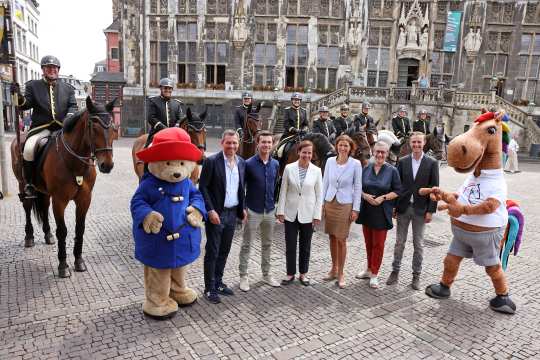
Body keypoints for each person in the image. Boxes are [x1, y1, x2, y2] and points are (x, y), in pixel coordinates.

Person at [13, 55, 78, 199]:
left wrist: (68, 118)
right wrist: (17, 95)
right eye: (49, 67)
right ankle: (30, 184)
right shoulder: (33, 86)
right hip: (41, 128)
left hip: (62, 128)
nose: (52, 70)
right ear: (43, 69)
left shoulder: (68, 88)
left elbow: (73, 106)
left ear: (58, 70)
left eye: (54, 68)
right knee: (29, 149)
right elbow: (24, 105)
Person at [199, 130, 247, 304]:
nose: (232, 146)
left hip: (232, 213)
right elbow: (202, 188)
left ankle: (218, 282)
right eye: (228, 143)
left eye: (234, 143)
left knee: (224, 250)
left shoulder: (241, 163)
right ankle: (209, 288)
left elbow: (241, 188)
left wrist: (243, 208)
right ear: (222, 143)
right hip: (216, 214)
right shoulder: (211, 162)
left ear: (238, 144)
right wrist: (210, 210)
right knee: (212, 251)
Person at [386, 132, 439, 290]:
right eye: (414, 142)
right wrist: (394, 206)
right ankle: (395, 271)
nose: (416, 145)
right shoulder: (402, 162)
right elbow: (396, 185)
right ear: (410, 143)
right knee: (399, 243)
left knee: (419, 244)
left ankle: (416, 275)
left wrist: (431, 210)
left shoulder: (432, 163)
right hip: (403, 207)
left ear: (424, 143)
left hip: (420, 209)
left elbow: (434, 189)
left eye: (419, 142)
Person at [238, 131, 281, 291]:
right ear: (258, 143)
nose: (267, 145)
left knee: (267, 244)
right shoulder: (248, 164)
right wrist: (243, 208)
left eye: (269, 142)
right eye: (264, 142)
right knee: (247, 245)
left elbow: (275, 186)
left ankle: (266, 274)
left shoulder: (275, 164)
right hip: (253, 210)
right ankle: (243, 275)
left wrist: (276, 207)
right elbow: (241, 188)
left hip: (269, 210)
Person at [276, 140, 323, 286]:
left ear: (312, 154)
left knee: (305, 245)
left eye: (309, 153)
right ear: (298, 152)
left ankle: (303, 274)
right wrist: (280, 211)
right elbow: (283, 191)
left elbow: (319, 195)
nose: (306, 155)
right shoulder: (289, 168)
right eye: (304, 152)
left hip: (308, 214)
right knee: (290, 244)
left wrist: (317, 215)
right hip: (290, 212)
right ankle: (290, 273)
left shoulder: (317, 170)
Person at [355, 141, 401, 288]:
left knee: (378, 244)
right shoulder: (366, 168)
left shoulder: (392, 170)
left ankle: (375, 274)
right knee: (368, 243)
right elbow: (358, 187)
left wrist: (383, 198)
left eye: (383, 152)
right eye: (378, 152)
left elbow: (398, 191)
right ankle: (368, 269)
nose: (380, 154)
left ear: (387, 154)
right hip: (367, 211)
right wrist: (364, 196)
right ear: (373, 152)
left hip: (382, 212)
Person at [322, 135, 362, 288]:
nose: (343, 148)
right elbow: (325, 182)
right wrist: (322, 204)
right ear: (336, 146)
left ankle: (341, 273)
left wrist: (356, 209)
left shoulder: (356, 164)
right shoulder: (330, 161)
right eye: (340, 145)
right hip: (330, 202)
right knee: (332, 237)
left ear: (350, 148)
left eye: (346, 146)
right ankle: (333, 268)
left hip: (345, 204)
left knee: (341, 239)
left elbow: (358, 187)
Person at [145, 78, 184, 147]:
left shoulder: (177, 103)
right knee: (148, 148)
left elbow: (180, 118)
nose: (168, 90)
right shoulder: (154, 101)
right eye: (165, 88)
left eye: (170, 88)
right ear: (161, 88)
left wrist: (175, 128)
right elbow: (151, 118)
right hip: (157, 133)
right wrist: (164, 129)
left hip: (174, 134)